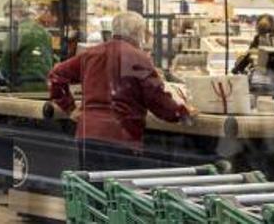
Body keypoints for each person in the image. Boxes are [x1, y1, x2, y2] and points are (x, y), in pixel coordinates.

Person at [48, 11, 195, 169]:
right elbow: (156, 98)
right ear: (138, 33)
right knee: (118, 189)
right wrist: (182, 113)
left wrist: (70, 108)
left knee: (92, 188)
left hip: (88, 134)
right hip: (121, 136)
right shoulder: (138, 58)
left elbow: (56, 75)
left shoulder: (91, 54)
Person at [0, 0, 54, 91]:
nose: (6, 19)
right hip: (45, 87)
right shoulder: (45, 32)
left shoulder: (16, 33)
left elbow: (4, 67)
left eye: (7, 15)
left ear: (17, 13)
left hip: (23, 87)